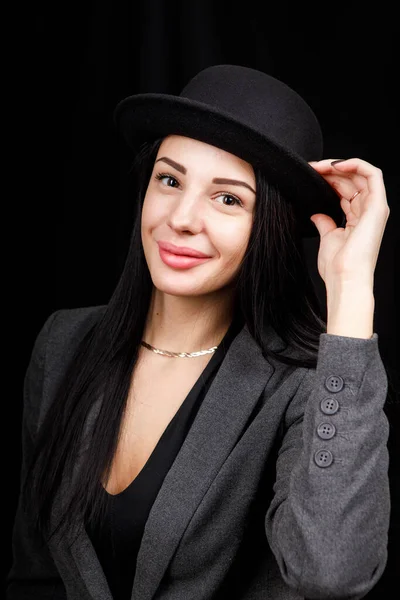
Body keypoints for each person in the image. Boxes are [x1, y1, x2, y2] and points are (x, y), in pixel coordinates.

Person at [7, 64, 391, 600]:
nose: (182, 217)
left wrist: (350, 290)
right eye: (170, 180)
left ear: (271, 227)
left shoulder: (302, 386)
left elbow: (332, 571)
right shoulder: (64, 342)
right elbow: (34, 572)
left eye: (228, 198)